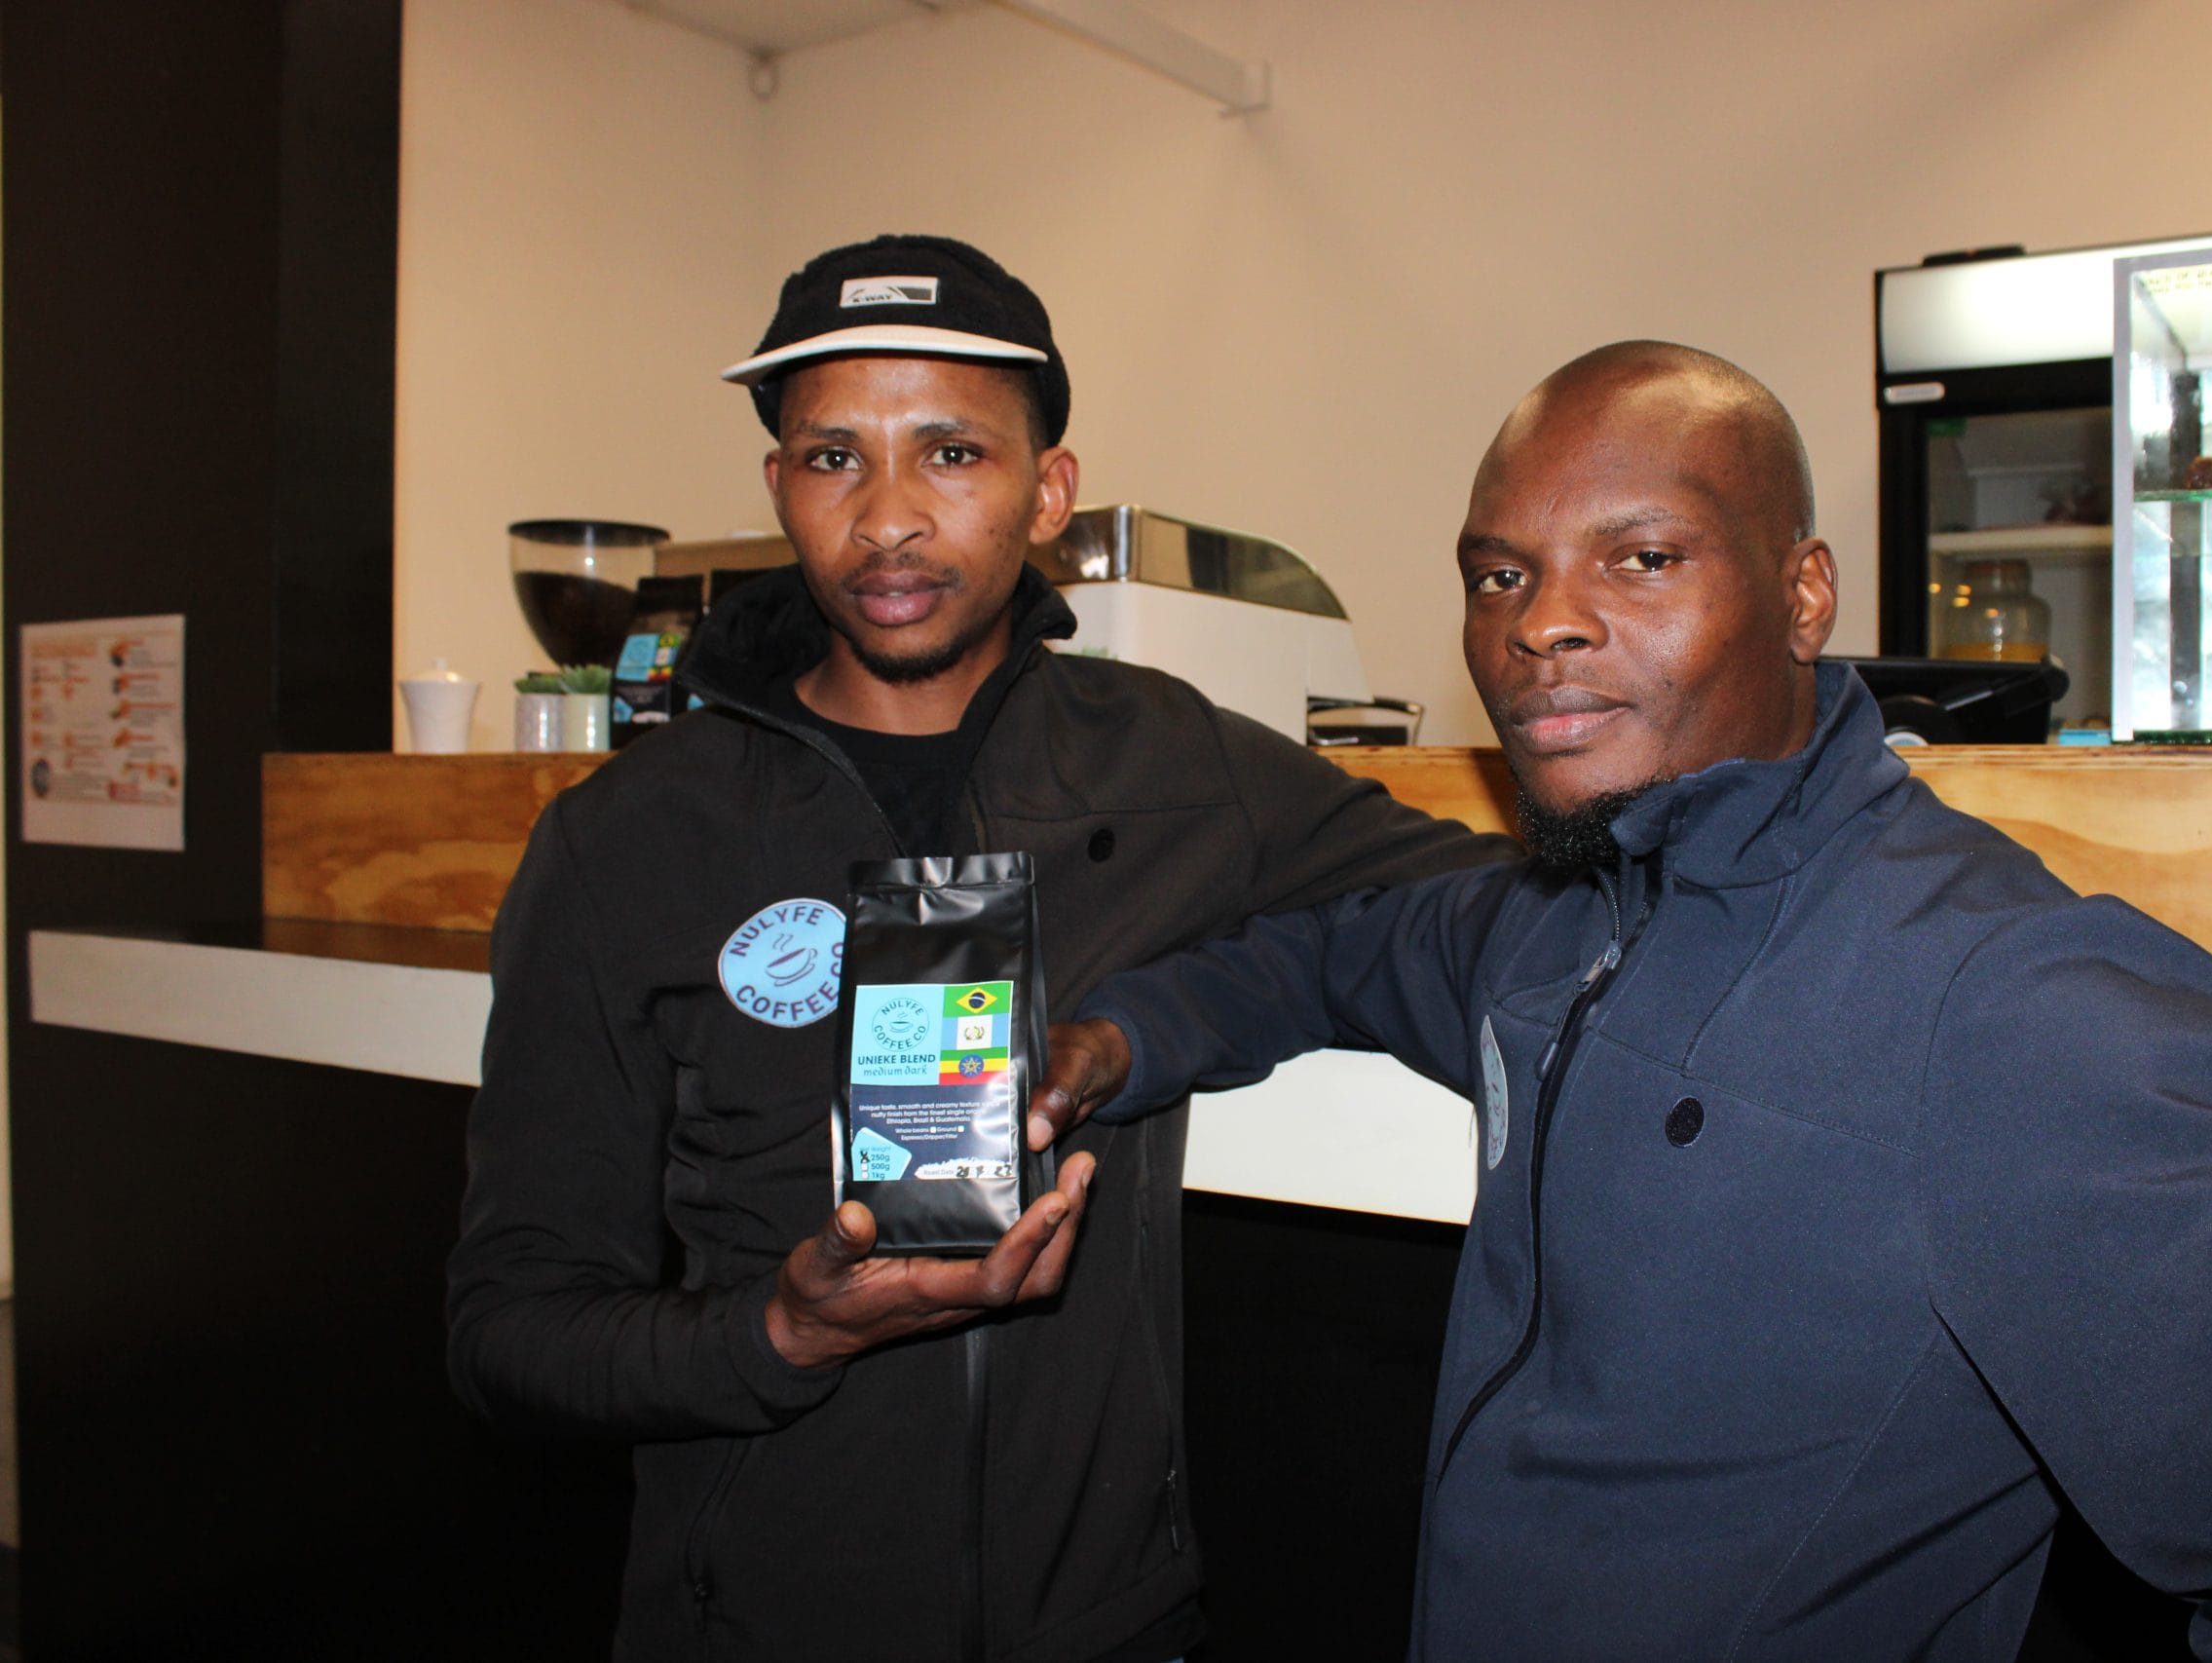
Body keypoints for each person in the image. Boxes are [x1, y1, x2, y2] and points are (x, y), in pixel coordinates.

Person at [1037, 341, 2212, 1661]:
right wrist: (1119, 1037)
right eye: (1499, 576)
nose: (1543, 625)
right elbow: (1323, 955)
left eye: (1642, 559)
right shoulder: (1554, 918)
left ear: (1804, 596)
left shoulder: (2020, 1004)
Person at [446, 234, 1507, 1663]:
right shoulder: (625, 840)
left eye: (951, 454)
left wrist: (1148, 1026)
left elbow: (1466, 903)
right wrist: (784, 1333)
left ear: (1047, 491)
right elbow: (508, 1335)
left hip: (1111, 1627)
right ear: (778, 486)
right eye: (833, 458)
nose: (887, 518)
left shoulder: (1178, 765)